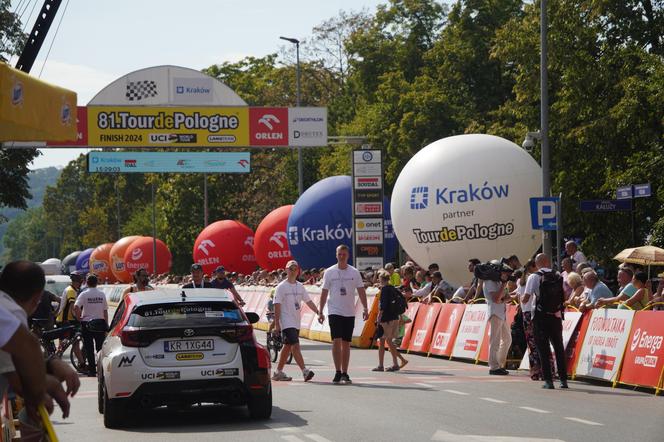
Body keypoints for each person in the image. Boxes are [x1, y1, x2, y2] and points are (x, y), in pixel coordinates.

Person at [0, 261, 79, 421]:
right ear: (37, 298)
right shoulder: (11, 310)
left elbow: (16, 367)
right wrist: (41, 389)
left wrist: (50, 365)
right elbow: (27, 351)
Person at [319, 244, 369, 385]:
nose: (342, 257)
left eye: (344, 254)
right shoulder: (329, 272)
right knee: (336, 340)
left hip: (349, 311)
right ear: (336, 255)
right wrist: (320, 311)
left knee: (346, 343)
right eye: (339, 254)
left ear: (348, 256)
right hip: (334, 310)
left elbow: (361, 291)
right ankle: (337, 371)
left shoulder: (354, 272)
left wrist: (365, 308)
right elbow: (324, 292)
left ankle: (345, 372)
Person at [271, 260, 321, 382]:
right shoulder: (281, 287)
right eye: (290, 269)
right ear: (286, 270)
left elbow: (308, 301)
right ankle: (305, 371)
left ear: (298, 271)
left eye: (295, 269)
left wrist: (318, 312)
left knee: (287, 346)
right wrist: (277, 324)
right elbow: (277, 306)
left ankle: (278, 372)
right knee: (295, 345)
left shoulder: (300, 286)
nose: (293, 271)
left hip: (296, 320)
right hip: (286, 320)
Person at [524, 253, 568, 389]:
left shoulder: (534, 276)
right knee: (559, 348)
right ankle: (563, 380)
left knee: (543, 349)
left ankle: (548, 381)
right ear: (548, 262)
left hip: (540, 316)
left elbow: (526, 297)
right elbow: (564, 294)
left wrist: (522, 299)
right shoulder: (558, 275)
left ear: (537, 264)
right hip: (556, 316)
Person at [74, 274, 108, 377]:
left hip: (87, 323)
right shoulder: (101, 294)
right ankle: (101, 370)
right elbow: (105, 311)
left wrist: (79, 317)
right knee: (100, 349)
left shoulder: (84, 294)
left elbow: (76, 306)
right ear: (97, 283)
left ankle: (92, 371)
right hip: (99, 322)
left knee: (89, 348)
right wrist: (106, 325)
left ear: (87, 283)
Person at [373, 272, 408, 372]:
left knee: (383, 342)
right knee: (388, 341)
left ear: (381, 278)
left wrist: (378, 318)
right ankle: (394, 363)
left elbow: (382, 306)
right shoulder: (393, 288)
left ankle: (385, 364)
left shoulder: (384, 289)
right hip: (394, 318)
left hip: (386, 318)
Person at [483, 264, 513, 375]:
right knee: (495, 341)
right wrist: (504, 285)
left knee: (507, 339)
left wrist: (503, 297)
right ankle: (493, 367)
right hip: (495, 313)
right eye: (502, 271)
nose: (503, 273)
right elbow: (496, 298)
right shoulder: (490, 282)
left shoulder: (499, 281)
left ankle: (500, 364)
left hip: (502, 313)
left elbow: (507, 297)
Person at [516, 260, 544, 380]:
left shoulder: (520, 280)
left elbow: (519, 298)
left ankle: (534, 370)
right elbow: (528, 297)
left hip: (525, 313)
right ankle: (542, 369)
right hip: (533, 312)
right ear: (533, 267)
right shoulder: (533, 278)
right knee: (539, 342)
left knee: (531, 343)